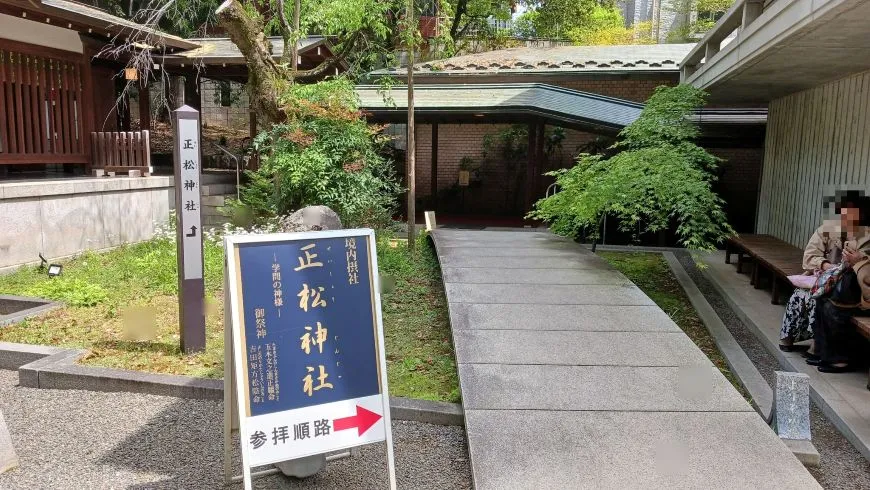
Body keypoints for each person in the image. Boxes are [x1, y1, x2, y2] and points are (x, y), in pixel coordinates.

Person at [806, 191, 870, 373]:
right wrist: (828, 265)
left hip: (862, 292)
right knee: (822, 299)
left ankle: (839, 358)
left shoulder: (865, 233)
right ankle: (822, 351)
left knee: (833, 307)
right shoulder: (834, 228)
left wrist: (859, 260)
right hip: (846, 285)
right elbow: (810, 255)